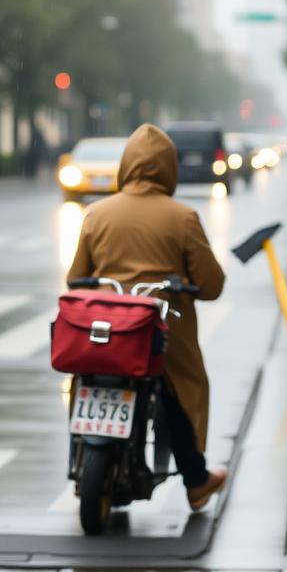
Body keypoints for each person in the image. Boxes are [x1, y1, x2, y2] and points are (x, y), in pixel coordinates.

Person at [65, 122, 229, 512]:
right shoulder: (183, 216)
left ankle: (81, 465)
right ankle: (196, 480)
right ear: (168, 168)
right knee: (180, 391)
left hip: (106, 330)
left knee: (85, 380)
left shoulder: (96, 213)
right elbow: (212, 285)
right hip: (162, 330)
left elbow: (76, 278)